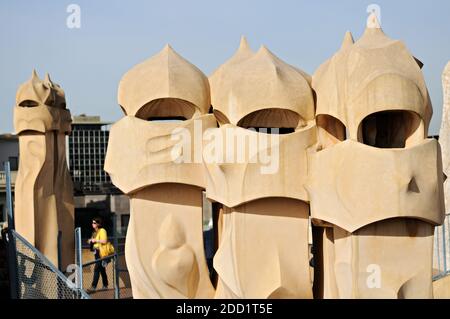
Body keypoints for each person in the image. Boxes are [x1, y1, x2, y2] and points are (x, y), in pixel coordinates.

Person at [87, 217, 109, 291]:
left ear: (98, 224)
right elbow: (91, 241)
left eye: (94, 223)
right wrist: (90, 241)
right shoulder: (94, 232)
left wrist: (95, 240)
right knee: (101, 269)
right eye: (92, 222)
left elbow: (104, 241)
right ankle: (105, 285)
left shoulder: (102, 230)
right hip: (96, 252)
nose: (92, 224)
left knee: (96, 268)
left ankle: (93, 286)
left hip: (101, 252)